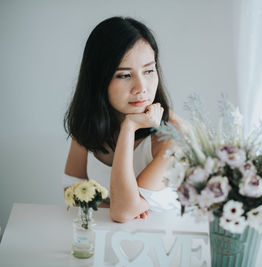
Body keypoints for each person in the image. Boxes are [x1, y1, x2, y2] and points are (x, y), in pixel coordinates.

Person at [63, 16, 181, 223]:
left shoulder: (173, 134)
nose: (141, 87)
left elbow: (122, 212)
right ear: (99, 80)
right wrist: (110, 204)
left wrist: (129, 126)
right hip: (106, 243)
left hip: (164, 247)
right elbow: (71, 189)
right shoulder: (90, 124)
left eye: (149, 70)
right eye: (125, 75)